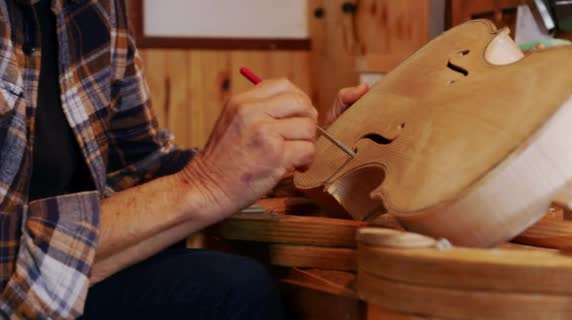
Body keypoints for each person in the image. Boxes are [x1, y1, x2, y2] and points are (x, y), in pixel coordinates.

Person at [0, 0, 369, 319]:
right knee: (235, 291)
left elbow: (139, 169)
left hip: (67, 276)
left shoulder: (94, 9)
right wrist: (203, 184)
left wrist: (297, 158)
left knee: (230, 284)